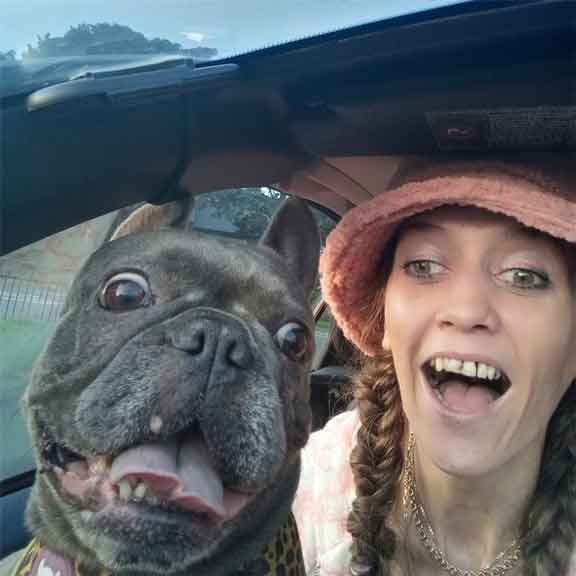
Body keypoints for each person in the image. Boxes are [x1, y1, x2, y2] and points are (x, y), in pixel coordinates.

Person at [293, 153, 576, 576]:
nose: (464, 310)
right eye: (423, 265)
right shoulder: (300, 491)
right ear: (386, 317)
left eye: (523, 275)